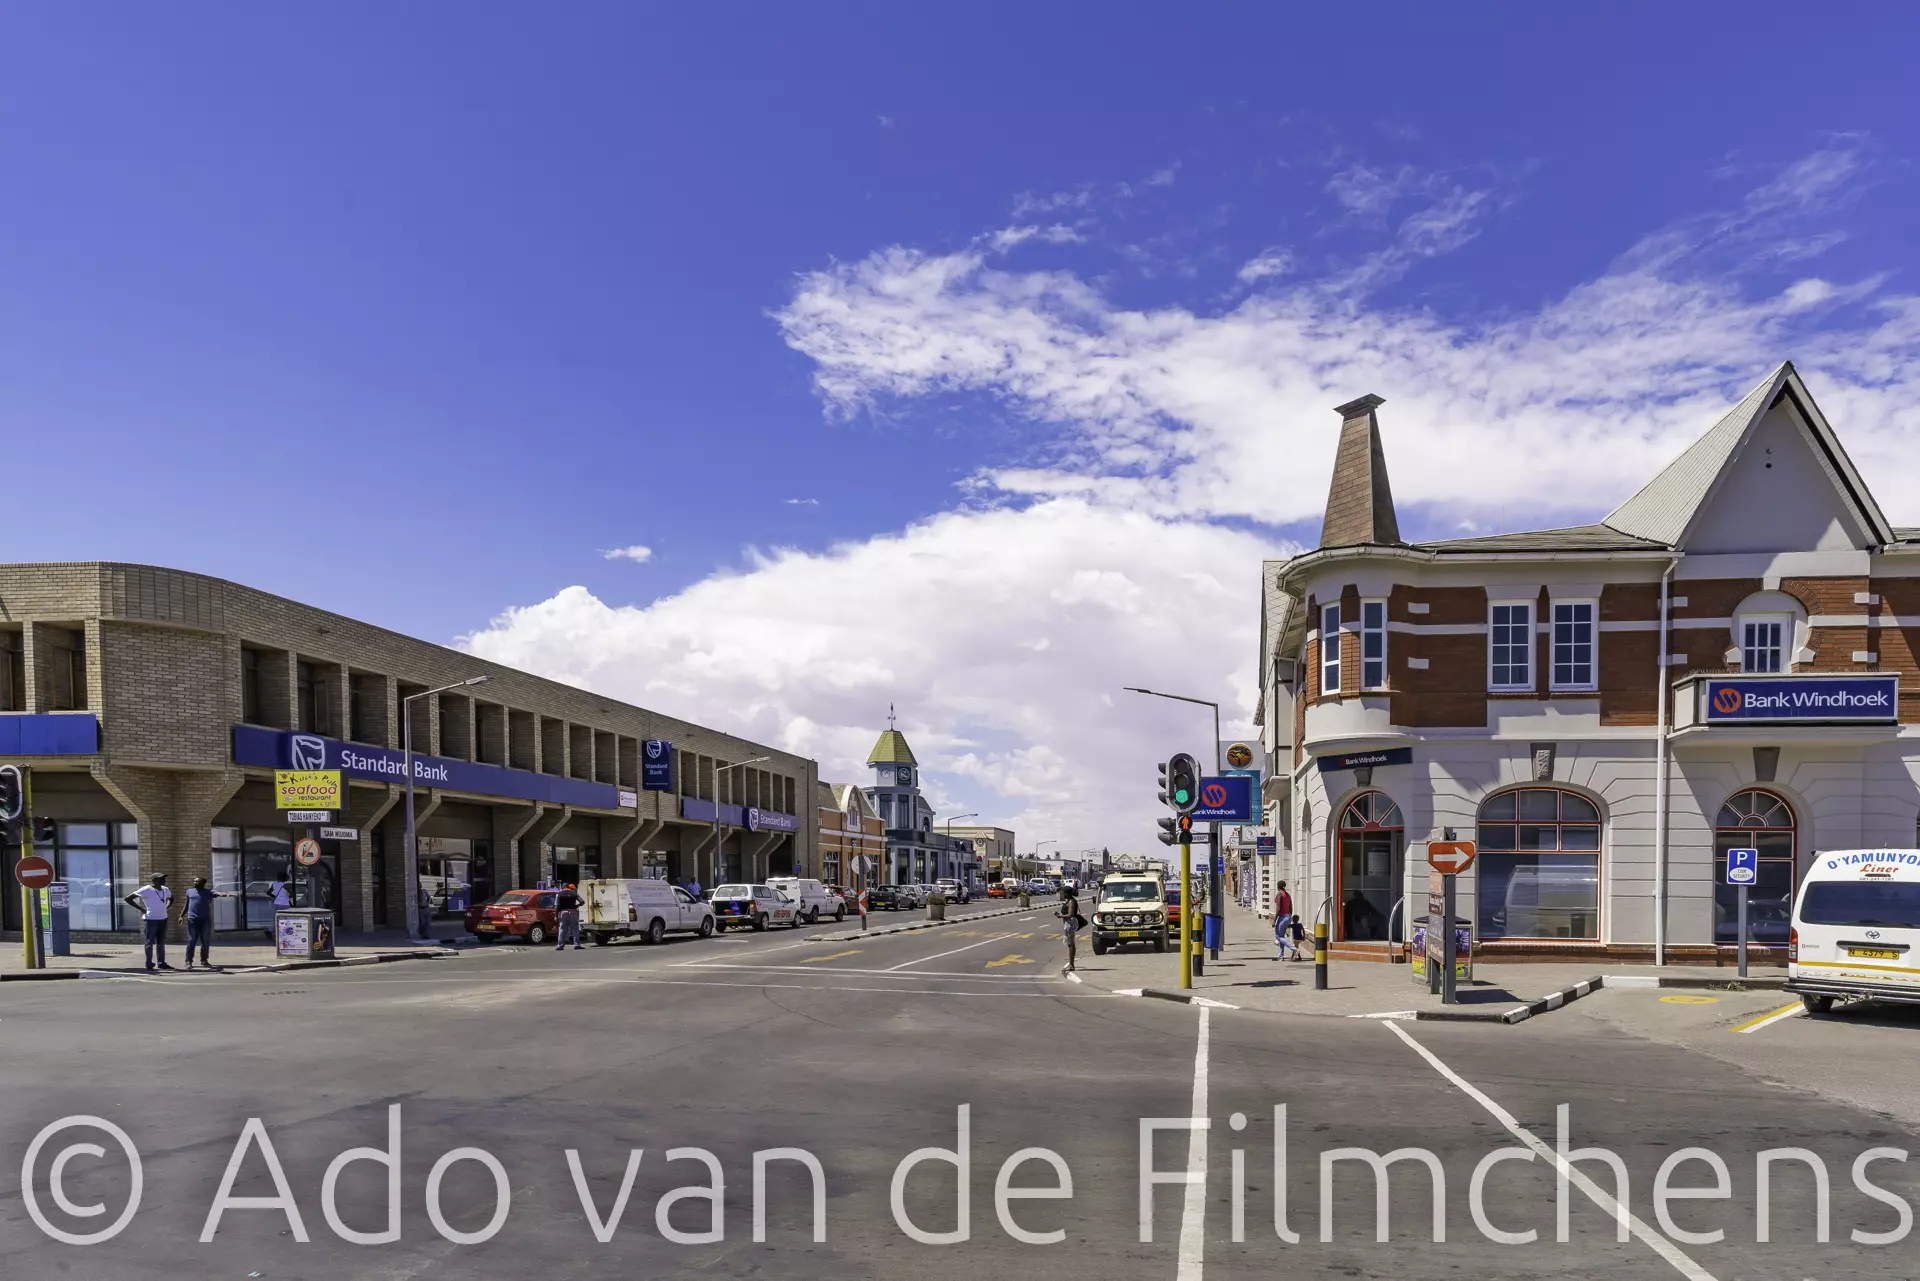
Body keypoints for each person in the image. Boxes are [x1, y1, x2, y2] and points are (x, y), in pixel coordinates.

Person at [123, 873, 174, 972]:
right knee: (149, 942)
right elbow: (128, 899)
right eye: (161, 879)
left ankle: (161, 963)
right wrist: (141, 909)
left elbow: (172, 899)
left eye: (164, 878)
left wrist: (166, 907)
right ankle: (149, 963)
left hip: (163, 919)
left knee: (161, 942)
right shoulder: (147, 889)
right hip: (151, 919)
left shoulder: (165, 889)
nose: (164, 880)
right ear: (154, 880)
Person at [179, 876, 231, 971]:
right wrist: (181, 916)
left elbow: (216, 893)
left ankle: (204, 960)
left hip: (205, 919)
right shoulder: (189, 891)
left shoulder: (208, 892)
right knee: (192, 940)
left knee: (205, 940)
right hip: (192, 919)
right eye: (194, 881)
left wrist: (223, 894)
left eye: (197, 882)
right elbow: (186, 904)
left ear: (203, 883)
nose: (194, 883)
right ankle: (188, 961)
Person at [1273, 880, 1303, 962]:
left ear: (1278, 886)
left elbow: (1279, 908)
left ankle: (1295, 949)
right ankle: (1280, 956)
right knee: (1281, 937)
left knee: (1278, 937)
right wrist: (1289, 916)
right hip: (1288, 917)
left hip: (1282, 917)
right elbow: (1291, 907)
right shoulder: (1287, 895)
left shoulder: (1279, 894)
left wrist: (1274, 920)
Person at [1056, 884, 1083, 973]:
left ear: (1067, 894)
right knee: (1070, 943)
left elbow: (1071, 914)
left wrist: (1060, 916)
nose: (1063, 894)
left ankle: (1071, 965)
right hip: (1068, 923)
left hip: (1070, 923)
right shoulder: (1069, 901)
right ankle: (1071, 964)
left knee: (1071, 943)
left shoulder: (1071, 901)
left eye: (1063, 893)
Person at [554, 883, 584, 950]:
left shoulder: (559, 894)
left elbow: (557, 906)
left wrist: (556, 915)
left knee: (562, 929)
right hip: (573, 912)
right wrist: (576, 906)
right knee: (575, 928)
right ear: (568, 887)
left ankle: (560, 945)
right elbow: (582, 902)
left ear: (562, 888)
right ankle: (576, 945)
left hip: (563, 912)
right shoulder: (574, 893)